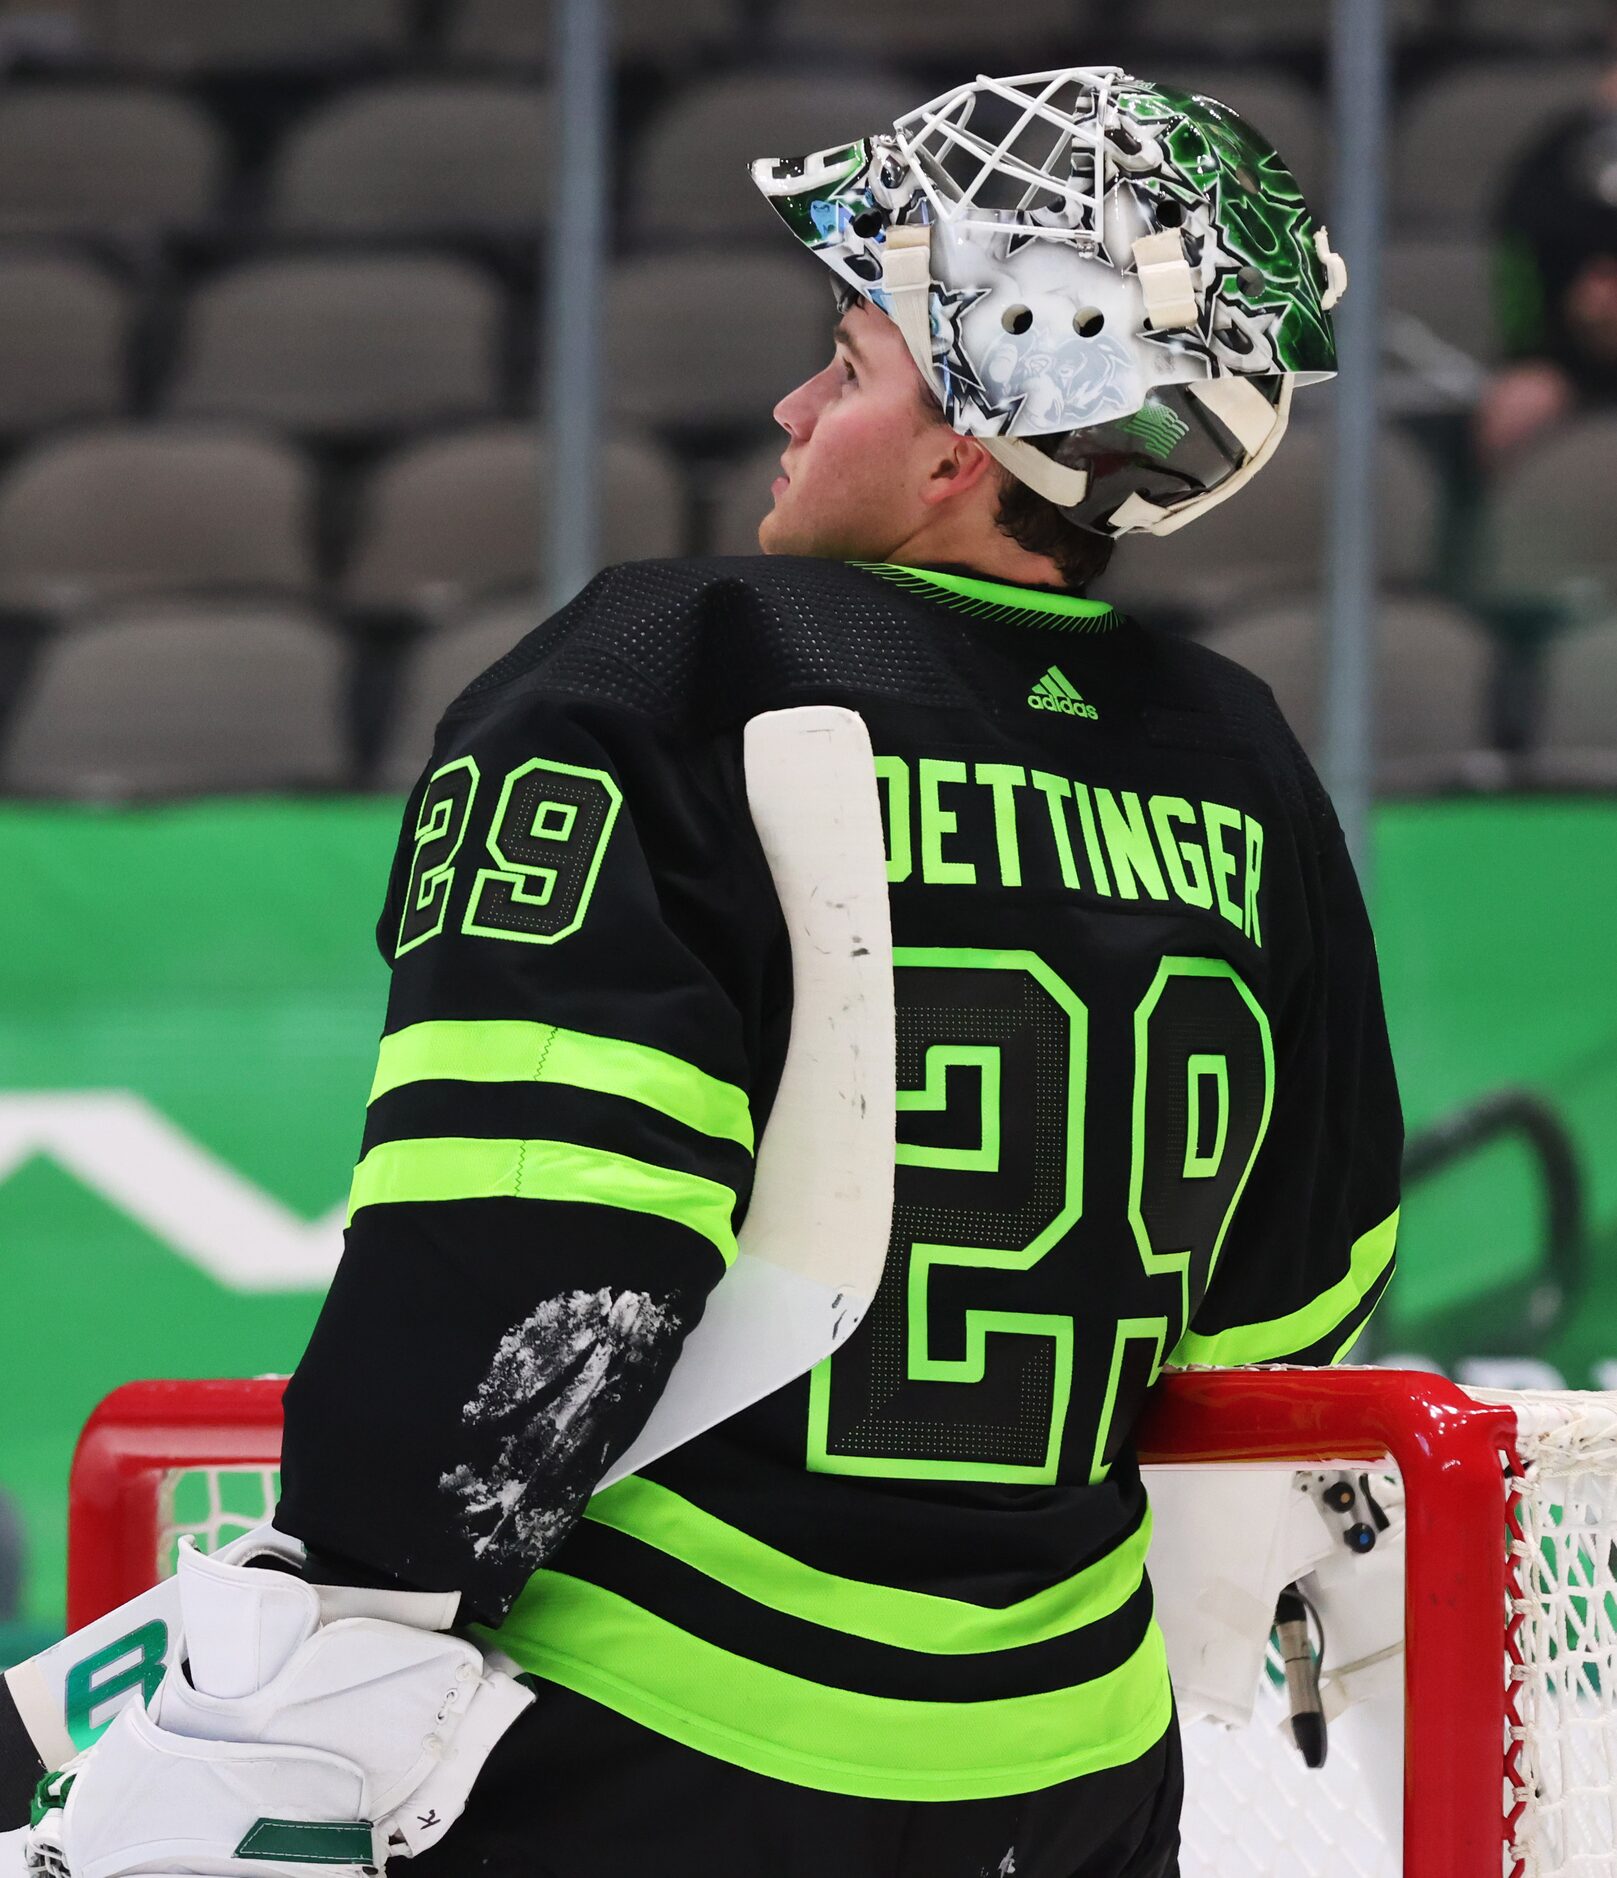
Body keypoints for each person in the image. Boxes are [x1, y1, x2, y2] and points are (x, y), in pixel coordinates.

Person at [21, 67, 1401, 1878]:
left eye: (844, 363)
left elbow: (530, 1227)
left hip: (647, 1738)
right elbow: (1297, 1302)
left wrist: (343, 1601)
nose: (787, 403)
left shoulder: (674, 666)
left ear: (959, 441)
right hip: (1069, 1769)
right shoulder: (1240, 762)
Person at [1475, 54, 1617, 470]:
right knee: (1519, 408)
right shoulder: (1561, 153)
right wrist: (1561, 326)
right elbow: (1519, 255)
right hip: (1571, 357)